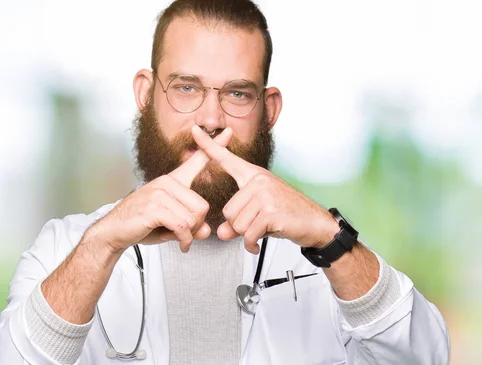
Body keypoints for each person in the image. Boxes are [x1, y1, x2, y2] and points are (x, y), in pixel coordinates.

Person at [0, 0, 450, 364]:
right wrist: (100, 247)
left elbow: (426, 357)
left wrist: (327, 237)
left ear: (268, 110)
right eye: (186, 88)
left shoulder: (328, 257)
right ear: (145, 94)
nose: (211, 120)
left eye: (237, 93)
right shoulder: (67, 245)